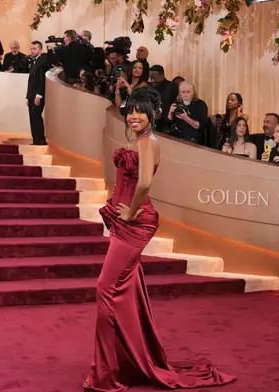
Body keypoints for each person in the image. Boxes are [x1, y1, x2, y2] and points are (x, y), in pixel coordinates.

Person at [83, 88, 236, 391]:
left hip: (135, 223)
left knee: (105, 289)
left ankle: (104, 373)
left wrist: (129, 213)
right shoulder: (144, 141)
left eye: (139, 111)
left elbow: (145, 183)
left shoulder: (146, 142)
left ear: (151, 113)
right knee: (125, 292)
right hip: (128, 219)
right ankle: (128, 360)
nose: (133, 116)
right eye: (129, 111)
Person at [26, 41, 51, 146]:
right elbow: (30, 81)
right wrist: (28, 97)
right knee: (32, 116)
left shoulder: (42, 61)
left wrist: (39, 95)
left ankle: (40, 139)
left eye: (34, 48)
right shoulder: (34, 61)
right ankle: (36, 139)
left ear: (40, 49)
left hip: (38, 95)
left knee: (36, 116)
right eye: (31, 49)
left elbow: (41, 80)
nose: (32, 51)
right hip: (32, 94)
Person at [148, 65, 178, 132]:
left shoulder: (172, 87)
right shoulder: (148, 87)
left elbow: (177, 108)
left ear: (162, 75)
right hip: (149, 126)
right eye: (150, 77)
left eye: (154, 77)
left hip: (167, 128)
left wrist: (162, 116)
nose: (151, 80)